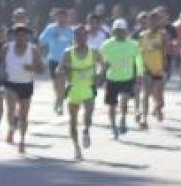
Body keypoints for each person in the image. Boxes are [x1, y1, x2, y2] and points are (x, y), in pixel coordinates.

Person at [0, 23, 44, 153]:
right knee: (11, 110)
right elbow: (0, 62)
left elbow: (41, 68)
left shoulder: (33, 50)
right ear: (14, 35)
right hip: (10, 83)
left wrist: (32, 68)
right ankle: (12, 128)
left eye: (23, 35)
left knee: (24, 115)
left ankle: (22, 140)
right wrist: (2, 72)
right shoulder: (6, 48)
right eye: (18, 34)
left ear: (27, 36)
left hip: (26, 84)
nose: (21, 37)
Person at [59, 24, 99, 160]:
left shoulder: (93, 52)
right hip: (74, 89)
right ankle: (76, 148)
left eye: (83, 35)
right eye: (78, 35)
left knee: (88, 115)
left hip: (89, 88)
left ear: (87, 36)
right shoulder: (68, 52)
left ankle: (86, 130)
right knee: (73, 121)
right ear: (74, 37)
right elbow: (59, 70)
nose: (81, 38)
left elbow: (104, 64)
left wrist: (99, 75)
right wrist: (64, 69)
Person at [99, 18, 143, 139]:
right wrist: (100, 73)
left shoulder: (133, 44)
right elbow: (100, 59)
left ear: (126, 31)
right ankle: (113, 127)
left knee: (124, 99)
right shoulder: (107, 45)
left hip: (127, 77)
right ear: (113, 31)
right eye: (117, 31)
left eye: (122, 31)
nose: (119, 33)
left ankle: (123, 119)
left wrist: (139, 74)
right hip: (111, 78)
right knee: (112, 105)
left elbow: (139, 60)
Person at [38, 7, 74, 115]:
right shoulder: (50, 28)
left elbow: (74, 44)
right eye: (59, 17)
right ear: (56, 17)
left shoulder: (70, 30)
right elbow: (42, 41)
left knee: (62, 81)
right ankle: (58, 98)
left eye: (63, 17)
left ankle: (60, 103)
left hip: (65, 60)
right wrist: (39, 57)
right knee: (55, 83)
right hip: (52, 59)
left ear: (67, 18)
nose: (61, 19)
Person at [139, 9, 169, 126]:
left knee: (159, 98)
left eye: (155, 20)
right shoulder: (142, 35)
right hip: (146, 68)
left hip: (158, 69)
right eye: (150, 21)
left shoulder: (162, 34)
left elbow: (165, 51)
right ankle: (144, 118)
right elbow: (139, 52)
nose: (153, 23)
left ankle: (158, 108)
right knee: (146, 93)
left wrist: (165, 65)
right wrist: (139, 66)